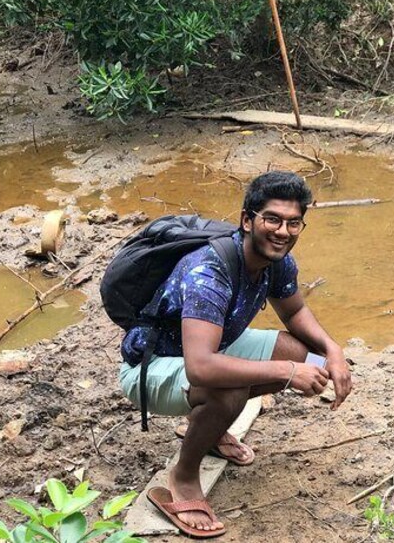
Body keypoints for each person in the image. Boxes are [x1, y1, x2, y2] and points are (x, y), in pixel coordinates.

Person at [118, 170, 353, 538]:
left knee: (302, 350)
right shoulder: (209, 273)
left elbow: (293, 313)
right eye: (272, 219)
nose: (282, 231)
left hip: (205, 352)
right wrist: (288, 372)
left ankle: (210, 431)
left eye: (294, 223)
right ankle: (183, 476)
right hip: (149, 370)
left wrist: (333, 351)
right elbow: (201, 368)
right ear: (247, 220)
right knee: (227, 387)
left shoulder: (277, 262)